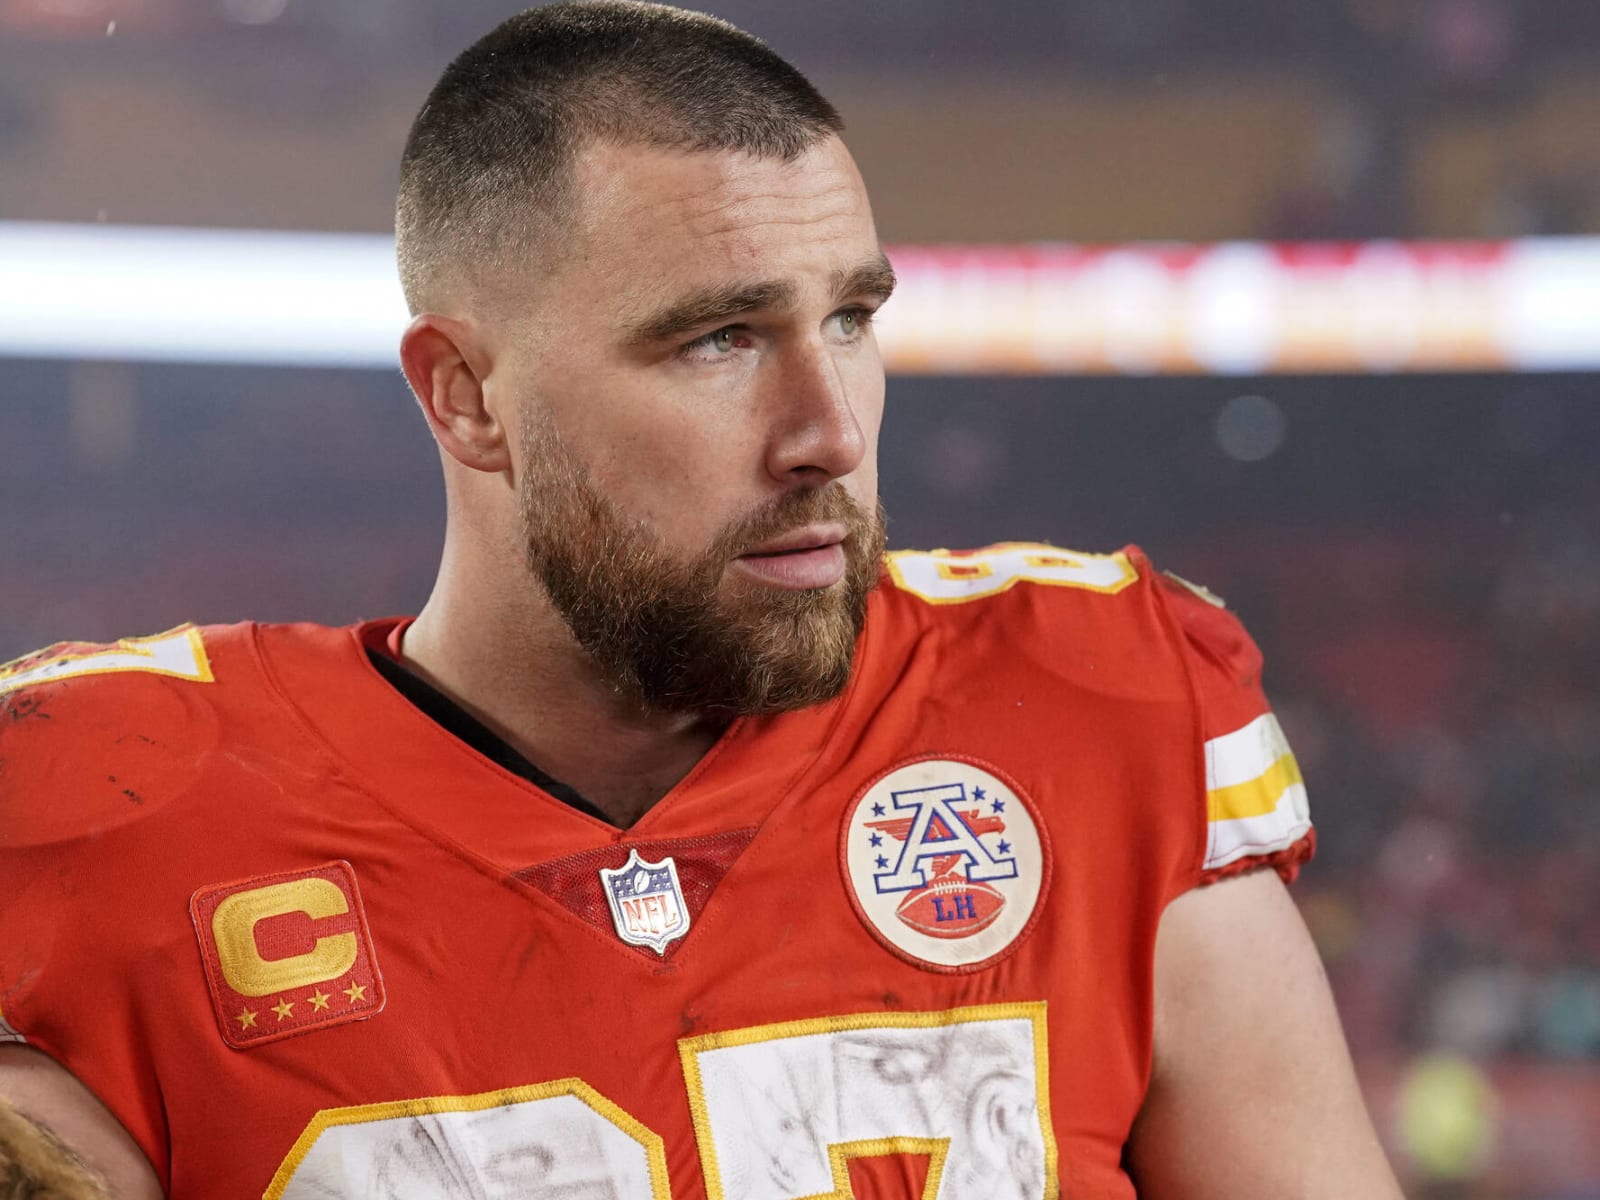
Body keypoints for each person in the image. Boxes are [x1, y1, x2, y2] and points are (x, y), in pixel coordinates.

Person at [0, 3, 1404, 1197]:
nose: (829, 430)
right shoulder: (112, 808)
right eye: (719, 338)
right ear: (466, 397)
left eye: (851, 319)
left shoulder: (1098, 712)